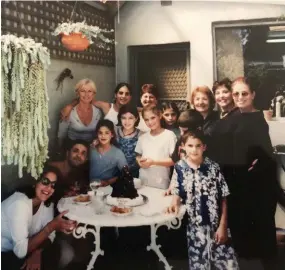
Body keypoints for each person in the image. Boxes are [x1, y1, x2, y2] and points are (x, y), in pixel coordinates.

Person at [224, 77, 278, 266]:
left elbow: (265, 156)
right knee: (242, 239)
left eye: (244, 93)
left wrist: (254, 167)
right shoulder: (232, 116)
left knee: (262, 239)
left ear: (253, 94)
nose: (239, 97)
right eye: (236, 93)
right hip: (236, 185)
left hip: (256, 188)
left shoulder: (258, 119)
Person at [166, 130, 239, 270]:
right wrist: (174, 203)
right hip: (194, 229)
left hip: (216, 225)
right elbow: (177, 191)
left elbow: (223, 197)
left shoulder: (214, 168)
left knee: (228, 265)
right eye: (190, 145)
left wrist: (223, 225)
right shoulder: (179, 168)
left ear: (204, 147)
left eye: (198, 145)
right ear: (183, 147)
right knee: (199, 266)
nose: (194, 149)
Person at [1, 167, 77, 270]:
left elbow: (51, 235)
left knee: (58, 253)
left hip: (24, 249)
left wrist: (37, 252)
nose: (48, 188)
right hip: (4, 253)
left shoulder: (46, 202)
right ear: (34, 181)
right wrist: (50, 227)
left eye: (53, 185)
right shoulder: (20, 204)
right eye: (45, 181)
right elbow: (20, 251)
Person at [135, 105, 177, 189]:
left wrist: (153, 162)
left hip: (161, 183)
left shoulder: (169, 135)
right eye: (146, 119)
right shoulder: (142, 137)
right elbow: (138, 155)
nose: (150, 122)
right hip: (143, 181)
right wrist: (139, 161)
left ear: (160, 116)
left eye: (153, 118)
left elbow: (174, 160)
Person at [57, 78, 102, 150]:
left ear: (93, 94)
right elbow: (61, 134)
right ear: (77, 93)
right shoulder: (69, 111)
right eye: (83, 91)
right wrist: (59, 151)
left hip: (91, 148)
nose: (86, 94)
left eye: (90, 91)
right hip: (72, 148)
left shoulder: (98, 112)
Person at [61, 82, 132, 126]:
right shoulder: (107, 107)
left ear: (130, 97)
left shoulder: (134, 111)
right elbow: (87, 99)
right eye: (121, 93)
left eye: (127, 94)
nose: (123, 96)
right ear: (115, 95)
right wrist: (70, 107)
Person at [90, 119, 128, 186]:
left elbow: (126, 173)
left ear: (112, 134)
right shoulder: (91, 149)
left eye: (107, 133)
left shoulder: (117, 153)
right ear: (97, 134)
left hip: (107, 188)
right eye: (100, 133)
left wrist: (109, 181)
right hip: (88, 187)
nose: (103, 136)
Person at [116, 104, 142, 178]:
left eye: (131, 118)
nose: (127, 121)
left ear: (136, 118)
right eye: (123, 118)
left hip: (134, 175)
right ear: (120, 118)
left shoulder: (141, 134)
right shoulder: (114, 130)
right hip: (114, 174)